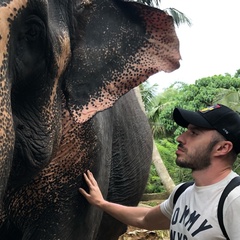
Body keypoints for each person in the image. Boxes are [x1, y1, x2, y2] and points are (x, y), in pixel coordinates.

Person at [79, 103, 240, 239]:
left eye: (194, 133)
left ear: (222, 147)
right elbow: (144, 218)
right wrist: (101, 203)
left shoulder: (234, 200)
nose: (180, 138)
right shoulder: (182, 193)